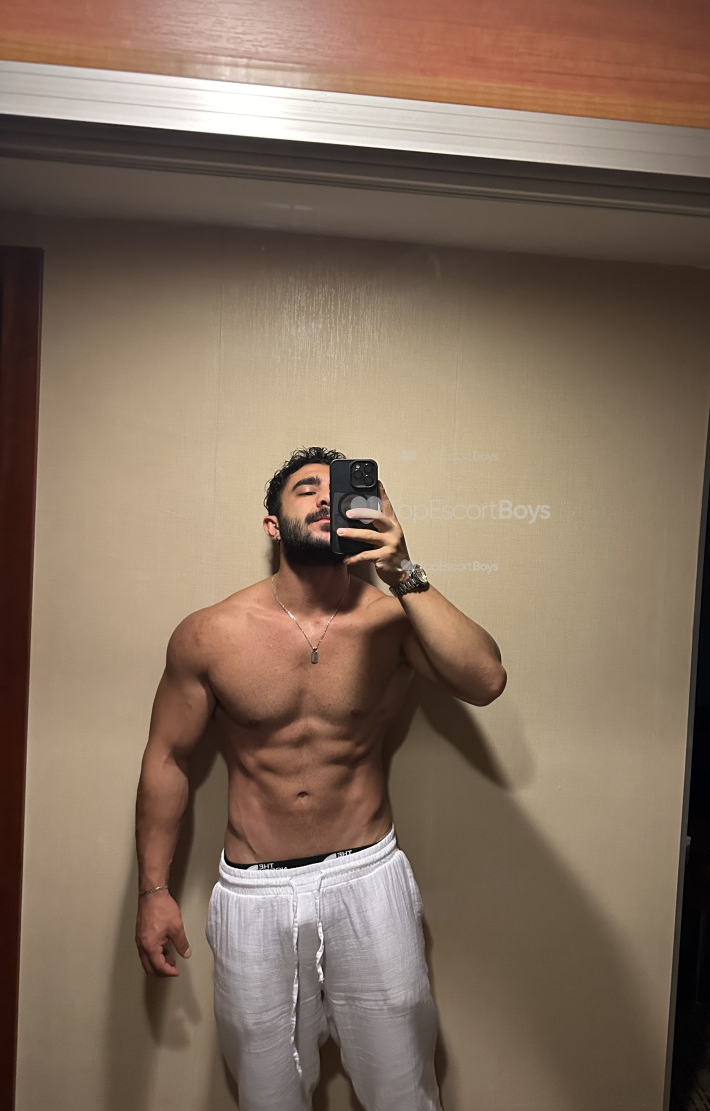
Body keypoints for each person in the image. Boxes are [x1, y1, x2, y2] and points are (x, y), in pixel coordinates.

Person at [135, 446, 506, 1111]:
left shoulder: (392, 619)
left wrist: (402, 570)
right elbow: (167, 759)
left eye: (339, 491)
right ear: (273, 525)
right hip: (254, 893)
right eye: (307, 489)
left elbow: (485, 681)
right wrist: (154, 890)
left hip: (368, 879)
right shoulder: (210, 633)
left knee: (403, 1089)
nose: (325, 499)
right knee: (267, 1095)